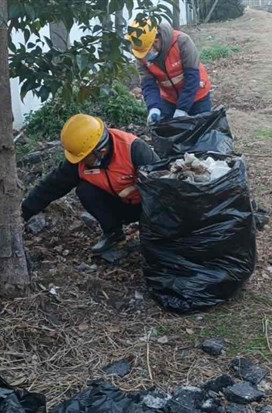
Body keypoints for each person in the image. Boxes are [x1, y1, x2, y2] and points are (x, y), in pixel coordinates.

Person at [21, 114, 160, 253]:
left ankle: (153, 235)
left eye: (84, 158)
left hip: (146, 207)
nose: (80, 162)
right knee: (85, 190)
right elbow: (52, 186)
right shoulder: (79, 161)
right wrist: (23, 212)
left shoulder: (133, 148)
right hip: (119, 204)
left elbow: (162, 185)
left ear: (100, 151)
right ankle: (113, 234)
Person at [128, 20, 213, 125]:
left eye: (148, 51)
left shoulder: (182, 41)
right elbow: (148, 84)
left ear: (156, 40)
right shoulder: (141, 56)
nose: (145, 57)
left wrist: (182, 108)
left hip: (197, 96)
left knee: (202, 132)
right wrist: (153, 107)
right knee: (170, 134)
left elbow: (192, 77)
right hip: (169, 99)